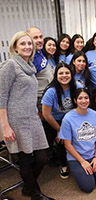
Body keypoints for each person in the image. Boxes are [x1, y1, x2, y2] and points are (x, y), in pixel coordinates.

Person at [0, 31, 54, 200]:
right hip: (16, 119)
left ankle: (28, 187)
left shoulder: (30, 66)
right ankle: (35, 194)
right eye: (23, 44)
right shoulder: (10, 65)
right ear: (15, 47)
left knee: (42, 157)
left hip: (32, 117)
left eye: (29, 44)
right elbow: (2, 97)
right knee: (25, 157)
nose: (27, 46)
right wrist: (5, 126)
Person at [59, 88, 96, 193]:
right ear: (75, 100)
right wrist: (82, 162)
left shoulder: (94, 114)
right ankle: (80, 171)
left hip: (92, 154)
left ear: (90, 99)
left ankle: (91, 171)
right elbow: (67, 145)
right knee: (88, 187)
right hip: (76, 157)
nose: (83, 101)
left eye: (86, 98)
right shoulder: (68, 118)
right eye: (80, 98)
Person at [41, 62, 78, 179]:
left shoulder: (77, 86)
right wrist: (60, 129)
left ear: (71, 74)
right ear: (56, 75)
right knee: (62, 141)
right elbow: (46, 114)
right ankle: (63, 165)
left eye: (67, 73)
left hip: (71, 119)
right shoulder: (51, 91)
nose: (64, 75)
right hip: (53, 122)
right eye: (61, 73)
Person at [27, 27, 52, 115]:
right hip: (40, 98)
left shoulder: (39, 50)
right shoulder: (30, 58)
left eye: (41, 37)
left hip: (48, 93)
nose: (40, 40)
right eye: (35, 38)